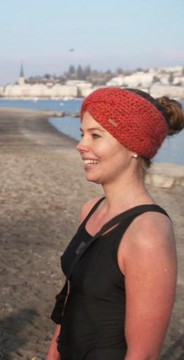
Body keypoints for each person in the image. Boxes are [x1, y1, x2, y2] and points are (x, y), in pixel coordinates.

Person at [47, 87, 184, 359]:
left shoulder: (148, 233)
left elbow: (143, 354)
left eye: (96, 135)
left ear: (134, 145)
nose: (81, 145)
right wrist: (53, 352)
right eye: (82, 134)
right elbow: (73, 301)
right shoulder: (90, 211)